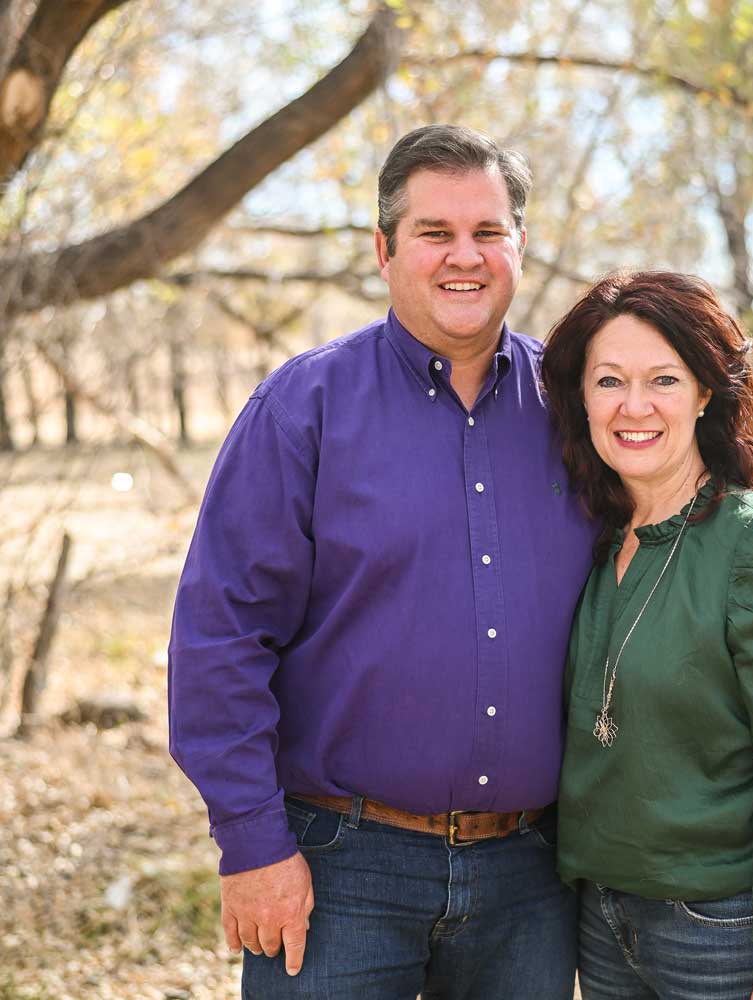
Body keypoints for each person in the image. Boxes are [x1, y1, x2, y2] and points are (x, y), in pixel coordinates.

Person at [168, 124, 595, 999]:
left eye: (488, 233)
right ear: (384, 249)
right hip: (340, 868)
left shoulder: (578, 410)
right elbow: (220, 638)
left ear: (521, 244)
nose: (463, 257)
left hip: (531, 879)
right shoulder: (304, 409)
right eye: (435, 233)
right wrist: (252, 845)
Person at [541, 270, 753, 1000]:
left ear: (706, 392)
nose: (634, 405)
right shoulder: (591, 538)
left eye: (663, 379)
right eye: (609, 380)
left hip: (727, 929)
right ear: (581, 398)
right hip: (603, 918)